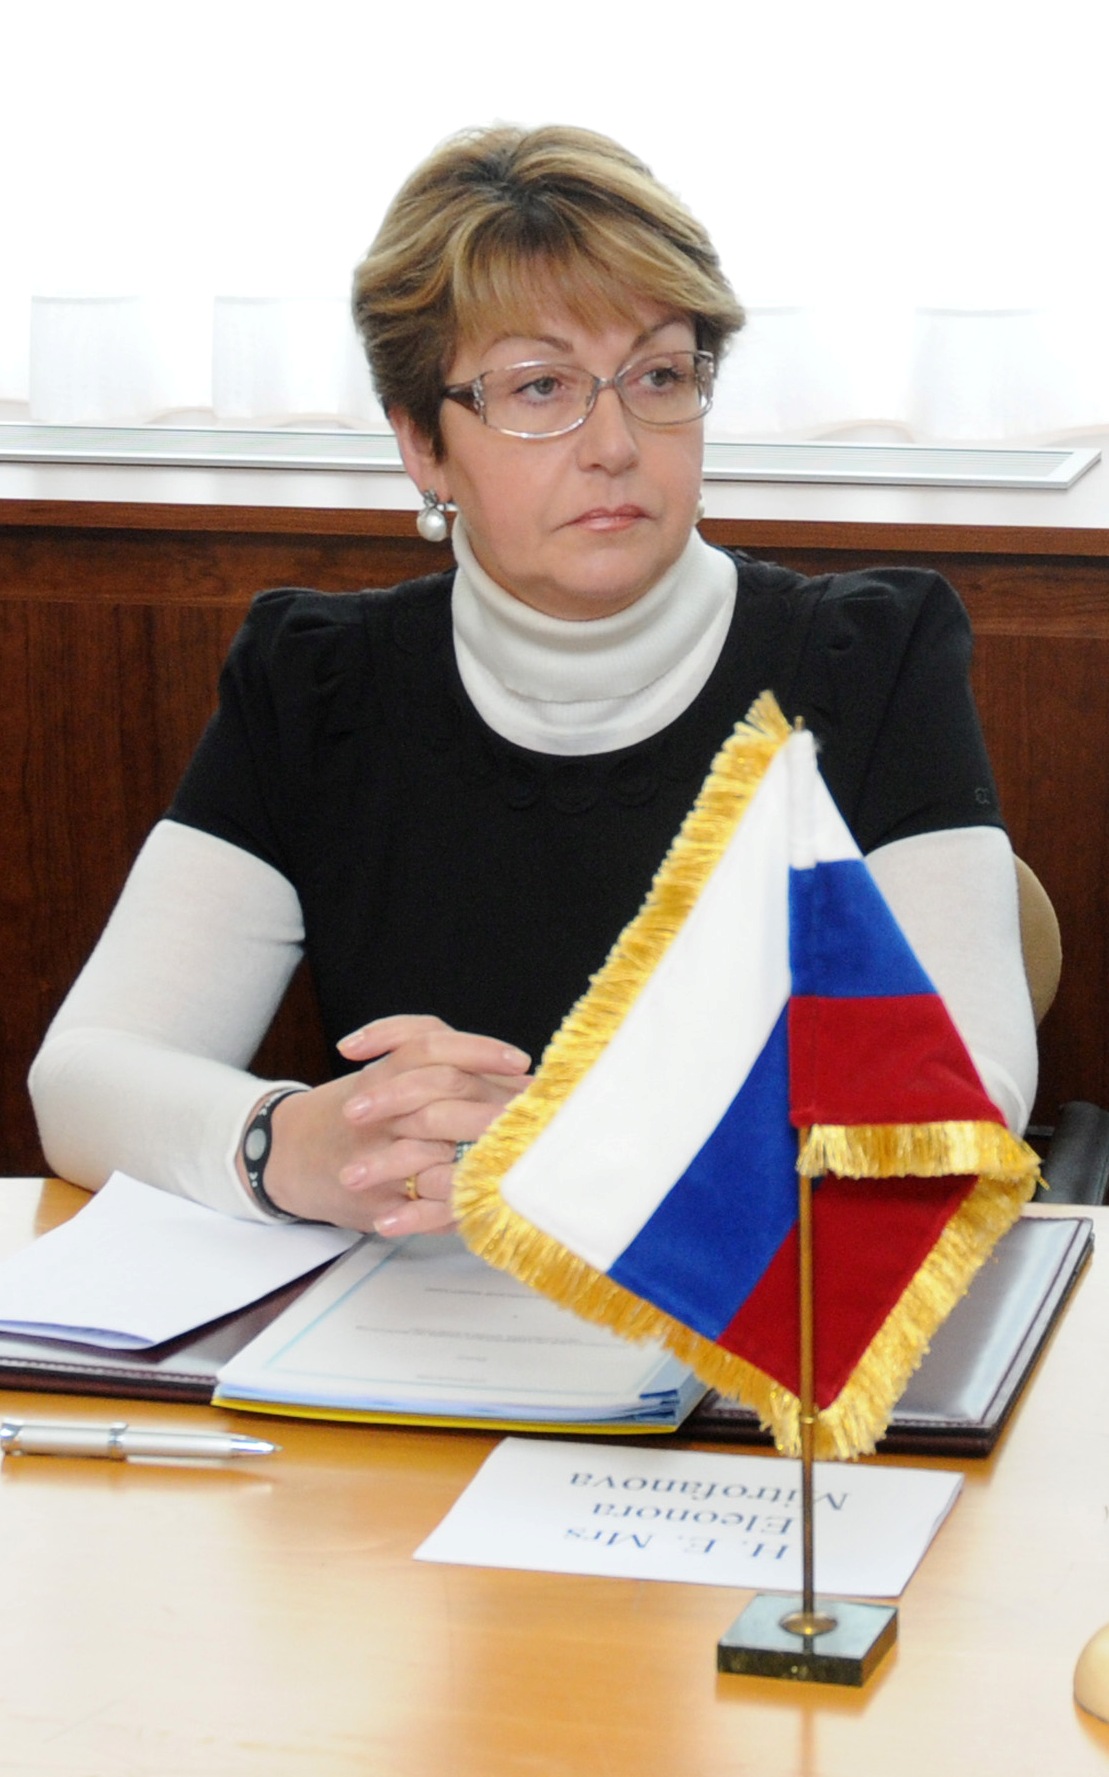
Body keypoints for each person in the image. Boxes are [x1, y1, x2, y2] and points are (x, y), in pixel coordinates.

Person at [29, 124, 1037, 1239]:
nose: (613, 442)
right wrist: (290, 1142)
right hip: (415, 1324)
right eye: (541, 385)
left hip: (757, 1312)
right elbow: (80, 1078)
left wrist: (581, 1145)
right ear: (422, 445)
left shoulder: (866, 660)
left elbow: (961, 1092)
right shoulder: (318, 686)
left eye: (658, 375)